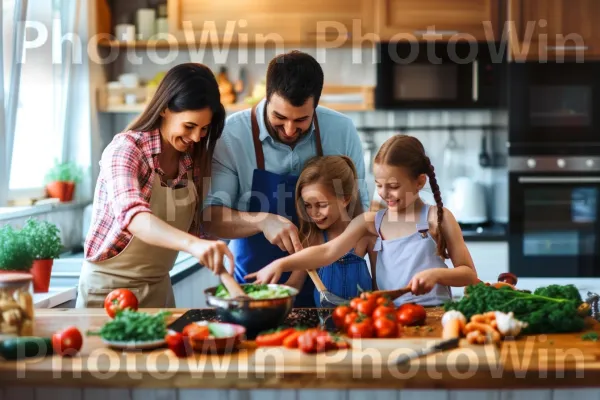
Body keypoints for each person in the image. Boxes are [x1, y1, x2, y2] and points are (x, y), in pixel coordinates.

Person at [202, 51, 370, 307]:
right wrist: (262, 220)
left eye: (302, 119)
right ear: (266, 97)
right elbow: (211, 219)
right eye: (279, 118)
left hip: (330, 286)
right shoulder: (231, 136)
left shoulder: (341, 130)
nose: (290, 130)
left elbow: (360, 211)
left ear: (316, 105)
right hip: (255, 290)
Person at [246, 135, 478, 306]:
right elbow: (327, 252)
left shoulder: (438, 218)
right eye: (379, 185)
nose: (385, 193)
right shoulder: (370, 223)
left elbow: (468, 273)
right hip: (389, 318)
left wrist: (436, 275)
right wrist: (280, 264)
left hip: (436, 313)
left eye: (394, 186)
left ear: (419, 182)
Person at [77, 63, 233, 308]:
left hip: (159, 293)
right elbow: (133, 216)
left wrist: (262, 222)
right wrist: (193, 245)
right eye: (189, 126)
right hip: (107, 293)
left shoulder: (192, 160)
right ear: (165, 109)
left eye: (203, 129)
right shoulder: (126, 150)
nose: (195, 137)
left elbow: (199, 227)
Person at [292, 156, 376, 307]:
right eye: (308, 205)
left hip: (363, 322)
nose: (314, 213)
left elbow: (379, 287)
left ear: (345, 199)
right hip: (324, 326)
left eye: (321, 204)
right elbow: (294, 285)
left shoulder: (366, 236)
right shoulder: (312, 239)